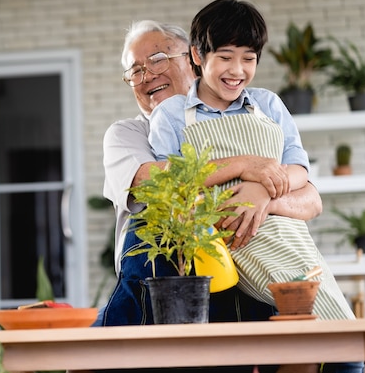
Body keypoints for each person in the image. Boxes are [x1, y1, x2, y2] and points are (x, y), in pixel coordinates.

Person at [96, 19, 324, 373]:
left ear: (192, 59)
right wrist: (246, 166)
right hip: (162, 295)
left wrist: (262, 197)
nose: (147, 75)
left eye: (157, 59)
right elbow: (154, 185)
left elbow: (311, 198)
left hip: (248, 275)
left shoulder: (253, 111)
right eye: (134, 71)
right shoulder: (127, 133)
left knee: (322, 349)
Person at [147, 0, 363, 373]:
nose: (237, 70)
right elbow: (174, 180)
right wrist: (248, 169)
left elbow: (299, 171)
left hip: (292, 237)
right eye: (226, 57)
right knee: (339, 346)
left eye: (248, 58)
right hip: (237, 246)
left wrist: (262, 191)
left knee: (333, 344)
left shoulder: (268, 105)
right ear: (198, 55)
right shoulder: (172, 114)